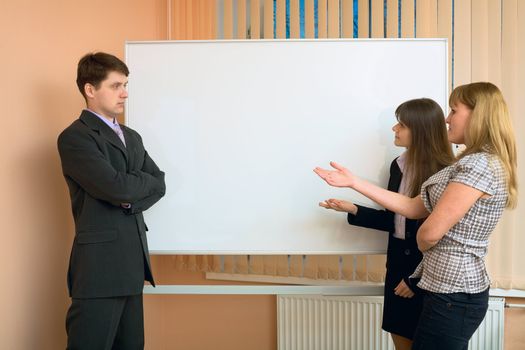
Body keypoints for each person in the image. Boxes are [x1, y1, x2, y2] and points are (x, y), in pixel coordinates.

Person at [314, 82, 517, 350]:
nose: (447, 118)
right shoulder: (469, 162)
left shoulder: (478, 165)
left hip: (453, 291)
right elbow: (411, 208)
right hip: (443, 287)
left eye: (454, 110)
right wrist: (353, 182)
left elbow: (429, 231)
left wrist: (422, 242)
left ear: (478, 114)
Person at [319, 98, 454, 350]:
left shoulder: (445, 171)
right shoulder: (398, 166)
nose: (394, 129)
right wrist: (353, 209)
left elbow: (445, 236)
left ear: (421, 130)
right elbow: (398, 220)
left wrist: (415, 280)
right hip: (397, 269)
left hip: (426, 275)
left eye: (401, 124)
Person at [57, 52, 166, 349]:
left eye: (126, 84)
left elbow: (159, 184)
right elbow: (116, 188)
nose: (125, 93)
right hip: (99, 270)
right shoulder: (75, 138)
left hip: (132, 266)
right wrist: (131, 188)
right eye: (116, 85)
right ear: (90, 90)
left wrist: (130, 196)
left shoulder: (132, 137)